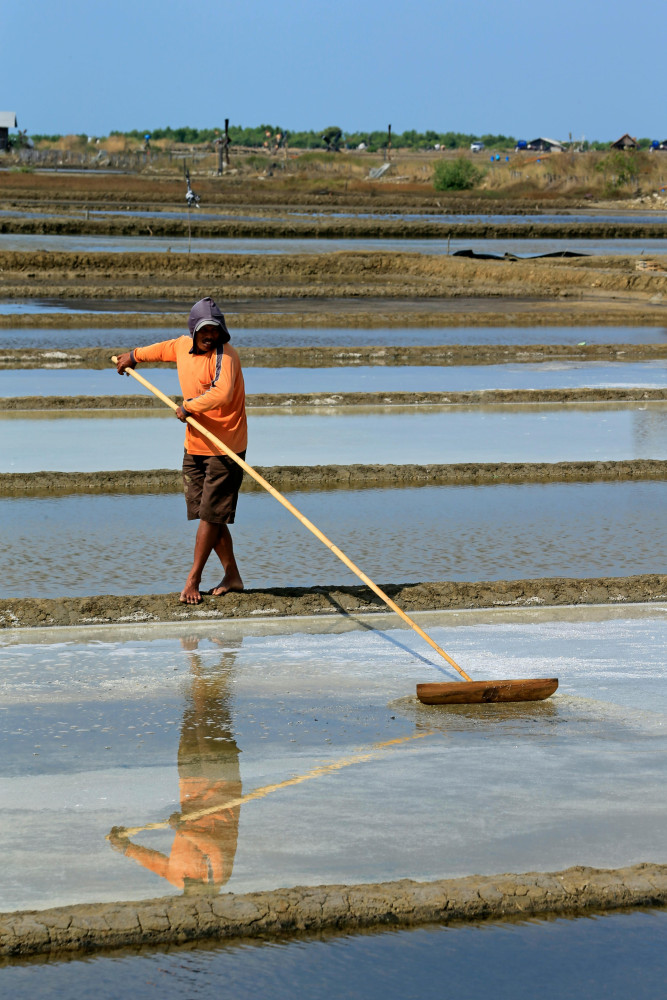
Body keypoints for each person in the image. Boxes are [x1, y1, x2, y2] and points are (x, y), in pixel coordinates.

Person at [115, 297, 247, 605]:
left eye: (214, 330)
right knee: (207, 514)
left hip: (225, 446)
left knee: (210, 516)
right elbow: (158, 351)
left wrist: (188, 407)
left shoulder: (226, 356)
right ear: (193, 330)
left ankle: (193, 579)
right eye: (204, 331)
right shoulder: (181, 346)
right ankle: (233, 575)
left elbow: (223, 393)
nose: (209, 336)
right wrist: (132, 356)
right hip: (195, 444)